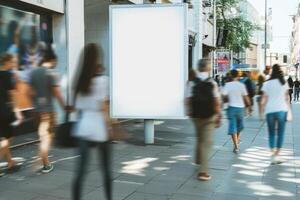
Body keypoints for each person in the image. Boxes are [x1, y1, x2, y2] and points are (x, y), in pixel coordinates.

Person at [72, 43, 112, 200]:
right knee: (106, 170)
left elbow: (76, 107)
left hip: (83, 129)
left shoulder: (78, 82)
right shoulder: (103, 81)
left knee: (80, 172)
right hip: (100, 129)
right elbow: (104, 108)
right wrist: (110, 127)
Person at [29, 45, 66, 173]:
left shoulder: (33, 72)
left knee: (42, 136)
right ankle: (44, 161)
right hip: (48, 111)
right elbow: (57, 93)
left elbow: (30, 92)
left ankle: (43, 160)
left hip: (36, 111)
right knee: (48, 136)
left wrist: (35, 102)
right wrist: (64, 107)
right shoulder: (52, 73)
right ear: (52, 60)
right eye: (55, 61)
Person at [187, 59, 222, 181]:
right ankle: (203, 172)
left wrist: (189, 112)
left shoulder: (192, 83)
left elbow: (188, 99)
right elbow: (216, 102)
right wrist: (219, 116)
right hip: (209, 116)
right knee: (207, 142)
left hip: (196, 115)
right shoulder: (212, 82)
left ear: (198, 68)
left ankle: (198, 159)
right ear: (207, 69)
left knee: (199, 138)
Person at [261, 64, 290, 164]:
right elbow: (287, 98)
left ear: (272, 71)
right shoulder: (283, 82)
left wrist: (261, 112)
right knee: (281, 133)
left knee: (271, 133)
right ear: (280, 71)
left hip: (270, 111)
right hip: (282, 110)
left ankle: (273, 154)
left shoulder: (267, 83)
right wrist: (289, 111)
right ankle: (276, 155)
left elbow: (263, 99)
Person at [0, 54, 23, 175]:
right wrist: (18, 112)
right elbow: (12, 95)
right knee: (7, 139)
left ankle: (10, 163)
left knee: (4, 136)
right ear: (7, 62)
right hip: (5, 111)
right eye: (13, 62)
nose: (14, 64)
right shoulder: (6, 75)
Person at [223, 70, 250, 154]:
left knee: (232, 127)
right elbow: (246, 97)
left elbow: (223, 97)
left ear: (231, 75)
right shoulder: (241, 85)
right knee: (239, 127)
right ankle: (237, 143)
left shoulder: (227, 85)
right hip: (240, 109)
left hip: (231, 108)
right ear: (238, 76)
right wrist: (249, 106)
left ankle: (236, 146)